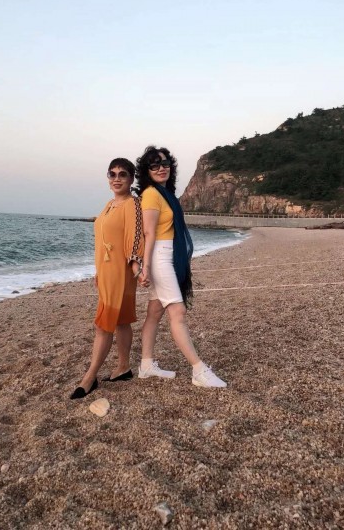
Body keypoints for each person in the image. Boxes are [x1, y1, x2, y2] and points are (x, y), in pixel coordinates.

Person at [135, 146, 227, 388]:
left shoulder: (166, 194)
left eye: (165, 163)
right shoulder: (151, 194)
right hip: (159, 257)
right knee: (178, 312)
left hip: (167, 255)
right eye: (154, 165)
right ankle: (198, 370)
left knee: (155, 312)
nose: (161, 168)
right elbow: (149, 233)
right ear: (147, 171)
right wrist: (145, 267)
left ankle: (146, 365)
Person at [70, 158, 145, 399]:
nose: (117, 178)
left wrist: (137, 267)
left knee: (102, 324)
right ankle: (124, 367)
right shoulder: (109, 204)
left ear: (131, 178)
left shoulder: (133, 204)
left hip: (120, 272)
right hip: (105, 272)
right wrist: (98, 271)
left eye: (123, 174)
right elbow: (104, 241)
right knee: (122, 320)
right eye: (112, 174)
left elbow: (135, 238)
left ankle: (89, 377)